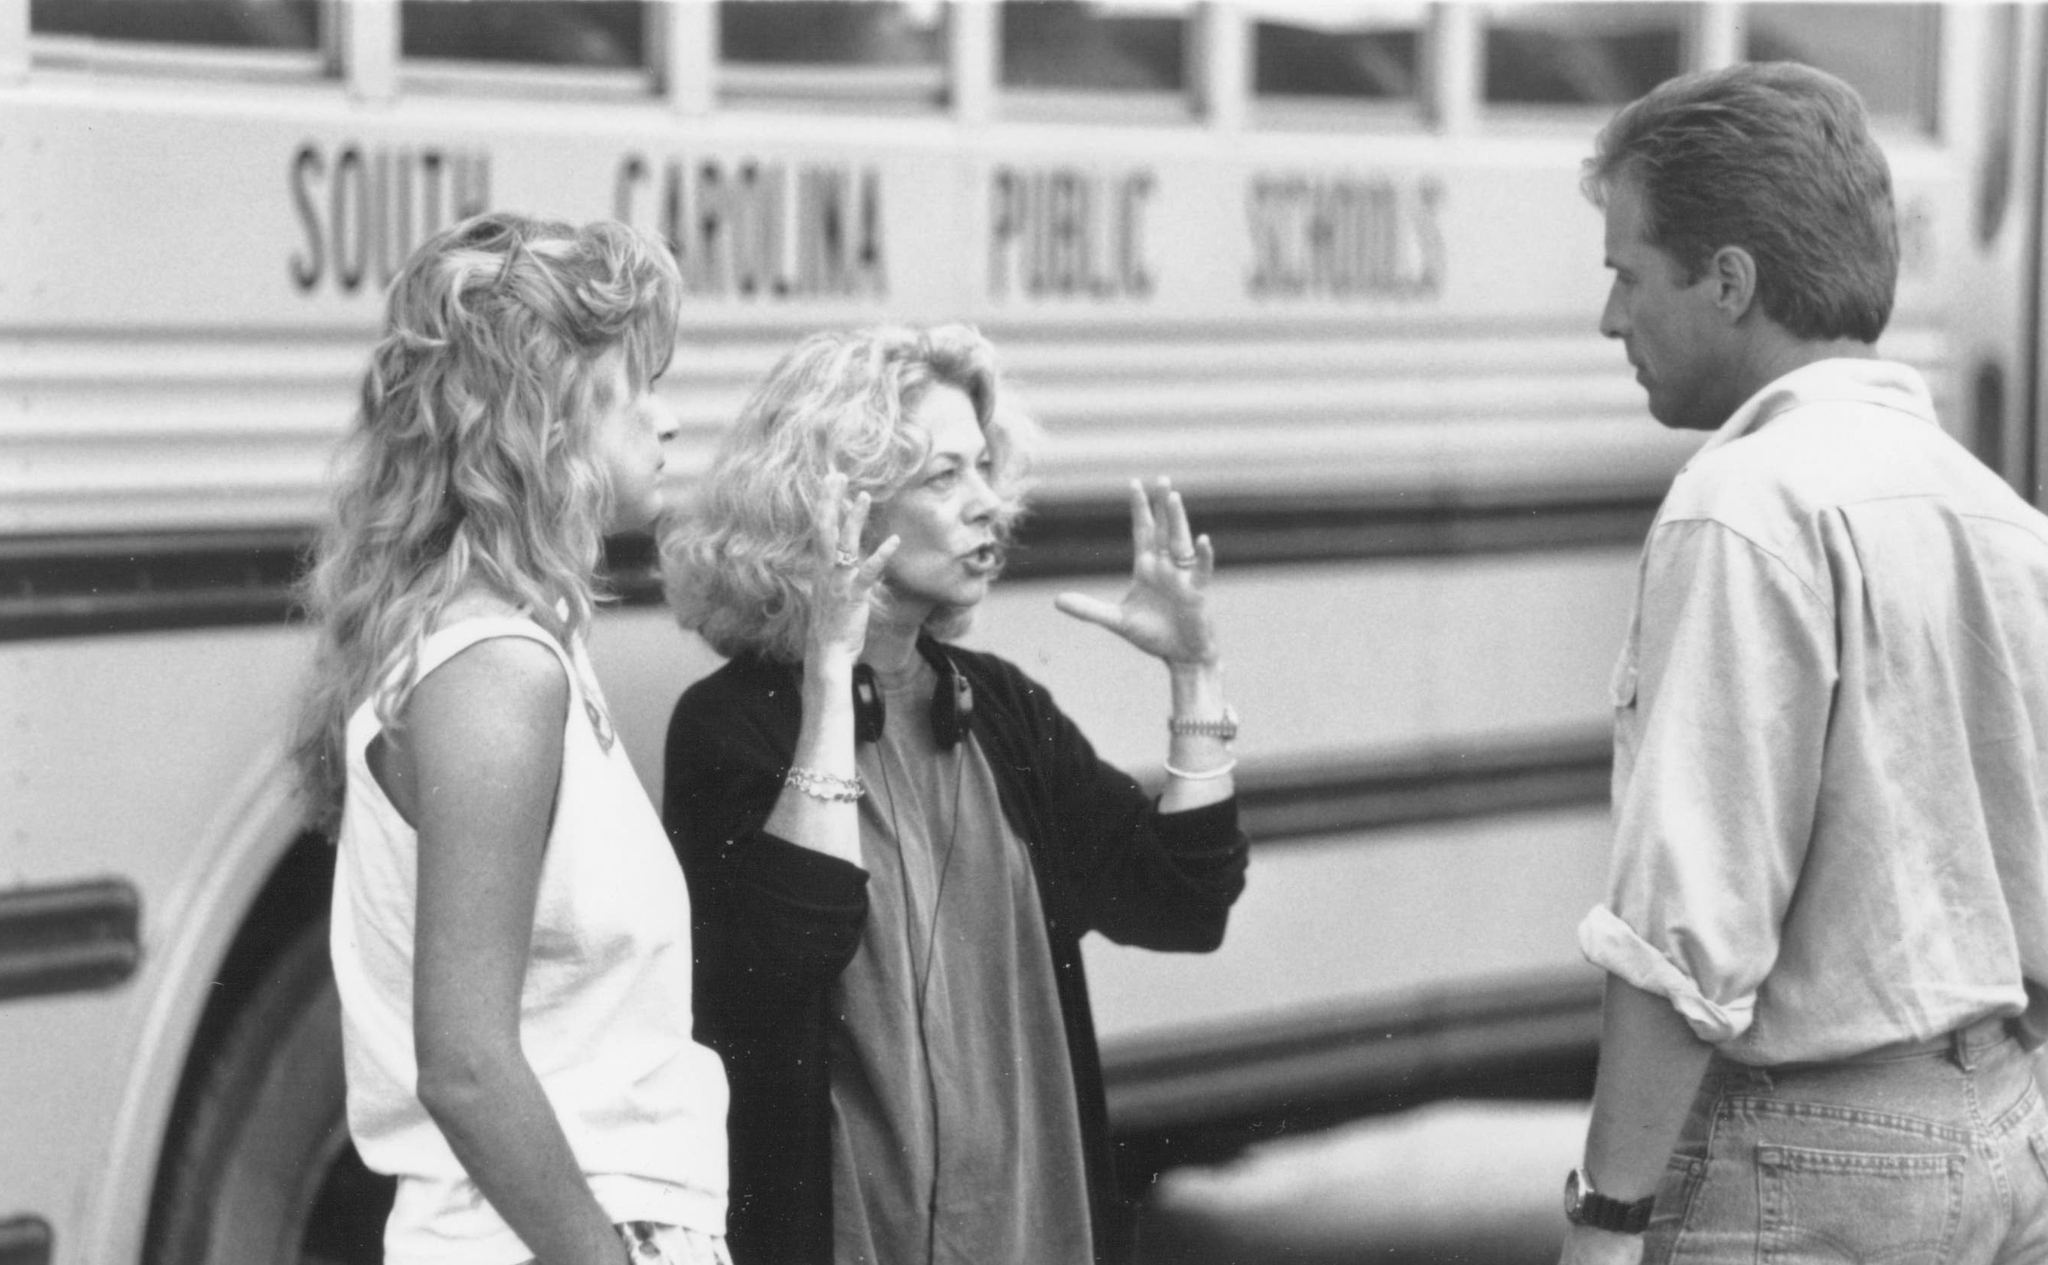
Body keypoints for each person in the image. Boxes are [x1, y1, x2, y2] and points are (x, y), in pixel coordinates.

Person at [1563, 62, 2048, 1265]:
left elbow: (1684, 928)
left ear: (1728, 281)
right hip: (2000, 1129)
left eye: (1626, 274)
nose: (1609, 320)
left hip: (1800, 1160)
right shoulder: (1995, 515)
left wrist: (1607, 1215)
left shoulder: (1737, 508)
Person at [659, 323, 1250, 1265]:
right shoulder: (732, 725)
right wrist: (830, 672)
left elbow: (1185, 900)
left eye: (985, 468)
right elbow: (773, 972)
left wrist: (1195, 670)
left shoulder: (1001, 708)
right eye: (944, 477)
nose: (991, 507)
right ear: (840, 509)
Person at [294, 212, 730, 1265]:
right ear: (551, 419)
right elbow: (465, 1063)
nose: (667, 421)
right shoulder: (496, 670)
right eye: (639, 386)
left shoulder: (521, 650)